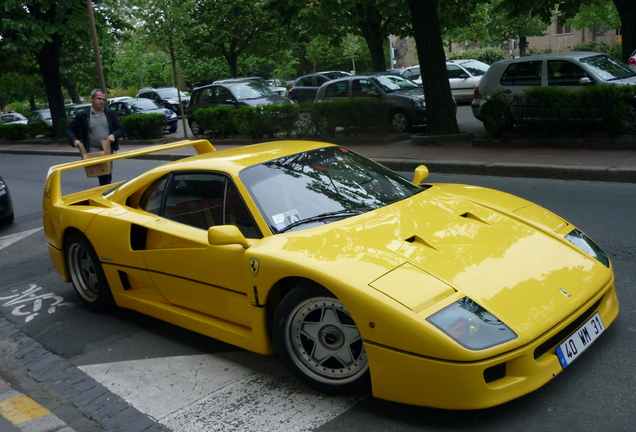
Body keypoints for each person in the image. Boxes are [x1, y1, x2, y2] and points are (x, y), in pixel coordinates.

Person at [66, 89, 125, 185]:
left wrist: (114, 135)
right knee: (103, 176)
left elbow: (120, 129)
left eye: (104, 100)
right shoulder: (83, 115)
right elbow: (69, 129)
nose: (102, 102)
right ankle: (104, 194)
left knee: (106, 177)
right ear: (92, 99)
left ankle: (104, 194)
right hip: (93, 151)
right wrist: (74, 141)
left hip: (107, 151)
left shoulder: (109, 113)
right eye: (99, 99)